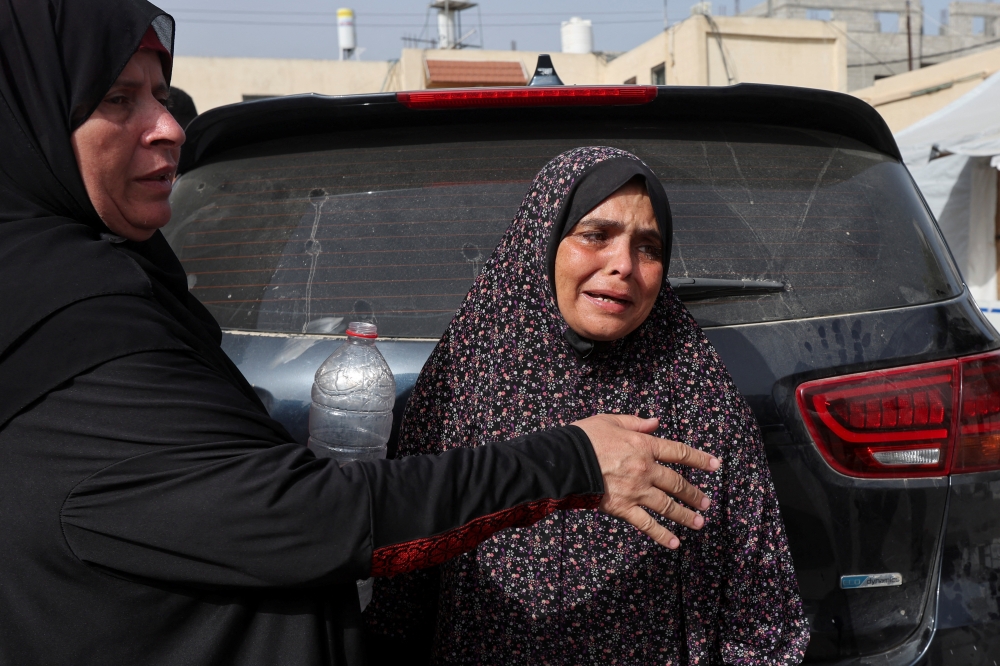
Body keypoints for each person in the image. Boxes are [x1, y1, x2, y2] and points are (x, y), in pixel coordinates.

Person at [0, 4, 722, 665]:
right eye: (118, 99)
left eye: (161, 95)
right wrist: (569, 459)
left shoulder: (700, 380)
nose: (169, 126)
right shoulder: (72, 323)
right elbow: (303, 518)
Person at [366, 148, 810, 664]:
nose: (623, 265)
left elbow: (760, 610)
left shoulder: (698, 392)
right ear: (543, 242)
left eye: (648, 248)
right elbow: (402, 594)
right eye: (596, 236)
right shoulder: (466, 377)